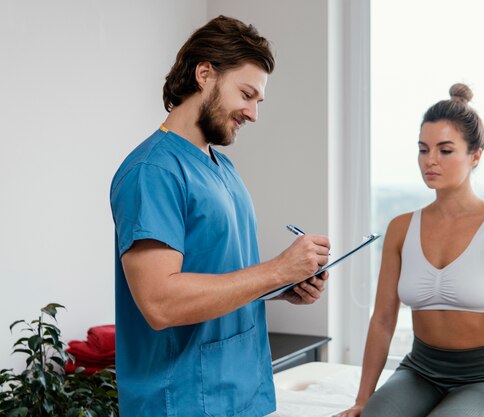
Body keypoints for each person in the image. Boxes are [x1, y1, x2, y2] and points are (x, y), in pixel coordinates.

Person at [109, 15, 331, 417]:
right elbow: (160, 303)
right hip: (184, 398)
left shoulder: (221, 167)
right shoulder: (152, 172)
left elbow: (220, 273)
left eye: (258, 101)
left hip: (239, 390)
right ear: (205, 74)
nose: (253, 113)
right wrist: (278, 270)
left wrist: (283, 285)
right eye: (246, 94)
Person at [334, 83, 484, 417]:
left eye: (445, 150)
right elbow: (383, 320)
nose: (430, 161)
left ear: (475, 155)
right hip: (420, 371)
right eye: (423, 149)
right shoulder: (401, 228)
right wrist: (363, 400)